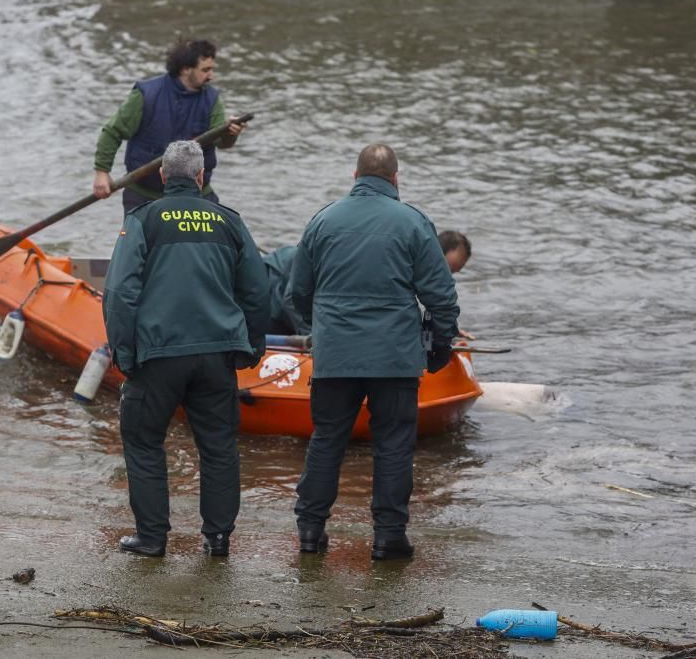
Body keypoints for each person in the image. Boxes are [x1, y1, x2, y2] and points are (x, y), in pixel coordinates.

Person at [289, 143, 460, 560]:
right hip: (394, 357)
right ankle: (388, 537)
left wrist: (319, 331)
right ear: (396, 179)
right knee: (394, 446)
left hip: (336, 356)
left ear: (355, 176)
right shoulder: (414, 223)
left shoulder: (323, 221)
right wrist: (440, 344)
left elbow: (297, 292)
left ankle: (311, 531)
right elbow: (441, 296)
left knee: (327, 440)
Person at [102, 140, 269, 558]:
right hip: (216, 353)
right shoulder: (229, 221)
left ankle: (153, 538)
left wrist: (124, 352)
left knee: (143, 441)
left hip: (158, 354)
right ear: (201, 177)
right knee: (218, 446)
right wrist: (251, 345)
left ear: (161, 176)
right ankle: (217, 539)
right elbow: (257, 289)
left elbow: (120, 291)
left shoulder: (145, 219)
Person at [92, 37, 247, 213]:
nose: (211, 76)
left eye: (212, 69)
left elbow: (222, 142)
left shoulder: (212, 99)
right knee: (135, 240)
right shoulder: (146, 95)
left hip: (196, 195)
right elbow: (113, 132)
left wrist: (230, 133)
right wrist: (102, 173)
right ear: (185, 69)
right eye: (206, 70)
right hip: (146, 196)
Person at [263, 230, 469, 336]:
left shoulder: (410, 264)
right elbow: (293, 298)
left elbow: (404, 308)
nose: (446, 277)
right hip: (271, 290)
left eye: (453, 273)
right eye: (447, 269)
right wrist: (312, 337)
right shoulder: (394, 259)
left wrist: (443, 328)